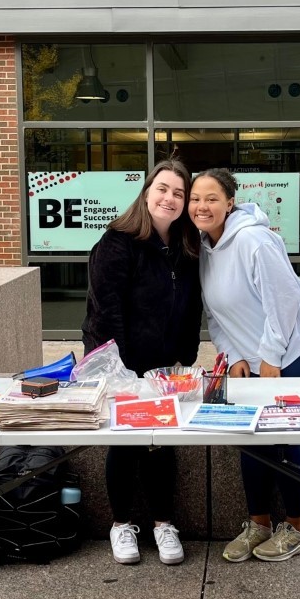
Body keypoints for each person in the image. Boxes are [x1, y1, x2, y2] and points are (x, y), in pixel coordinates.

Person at [187, 168, 300, 563]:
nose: (202, 206)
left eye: (212, 198)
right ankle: (259, 523)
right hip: (251, 357)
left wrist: (270, 357)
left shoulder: (253, 239)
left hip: (297, 349)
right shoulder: (204, 248)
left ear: (230, 202)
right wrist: (232, 358)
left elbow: (282, 302)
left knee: (281, 433)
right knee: (249, 435)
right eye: (196, 198)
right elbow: (216, 316)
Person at [83, 159, 202, 566]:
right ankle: (120, 525)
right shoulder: (117, 242)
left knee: (162, 444)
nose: (170, 198)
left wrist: (184, 359)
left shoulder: (186, 248)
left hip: (165, 367)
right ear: (147, 191)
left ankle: (163, 523)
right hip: (122, 367)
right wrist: (122, 373)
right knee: (126, 442)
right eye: (163, 189)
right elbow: (105, 312)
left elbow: (191, 308)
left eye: (179, 193)